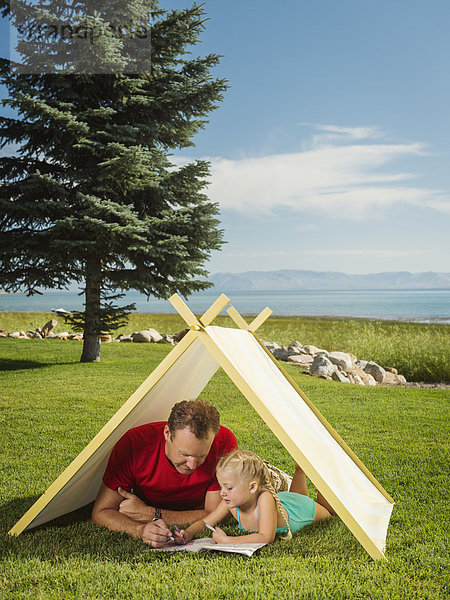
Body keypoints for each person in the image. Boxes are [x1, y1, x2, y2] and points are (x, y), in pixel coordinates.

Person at [91, 399, 237, 548]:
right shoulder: (134, 444)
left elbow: (215, 514)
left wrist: (150, 514)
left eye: (201, 456)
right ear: (167, 433)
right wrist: (140, 530)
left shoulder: (223, 441)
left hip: (148, 508)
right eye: (184, 454)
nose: (192, 465)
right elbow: (101, 512)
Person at [174, 449, 332, 546]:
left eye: (228, 487)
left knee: (331, 512)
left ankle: (327, 470)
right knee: (295, 496)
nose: (222, 492)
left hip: (301, 510)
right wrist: (188, 533)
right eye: (221, 486)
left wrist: (227, 541)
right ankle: (300, 470)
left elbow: (265, 538)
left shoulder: (265, 498)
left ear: (252, 487)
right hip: (286, 500)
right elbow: (205, 522)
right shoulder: (231, 502)